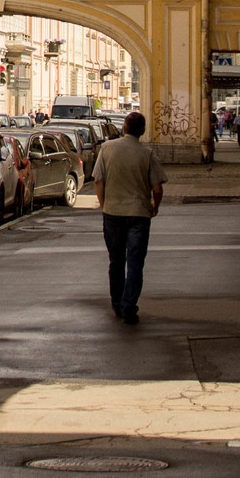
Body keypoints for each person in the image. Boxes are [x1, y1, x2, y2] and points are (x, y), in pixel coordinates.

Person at [90, 111, 166, 325]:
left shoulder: (106, 149)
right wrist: (154, 206)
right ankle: (129, 306)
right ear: (142, 131)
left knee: (116, 260)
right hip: (139, 215)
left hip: (112, 214)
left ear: (123, 128)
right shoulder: (147, 154)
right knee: (135, 263)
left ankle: (116, 302)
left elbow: (98, 181)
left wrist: (104, 205)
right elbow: (157, 189)